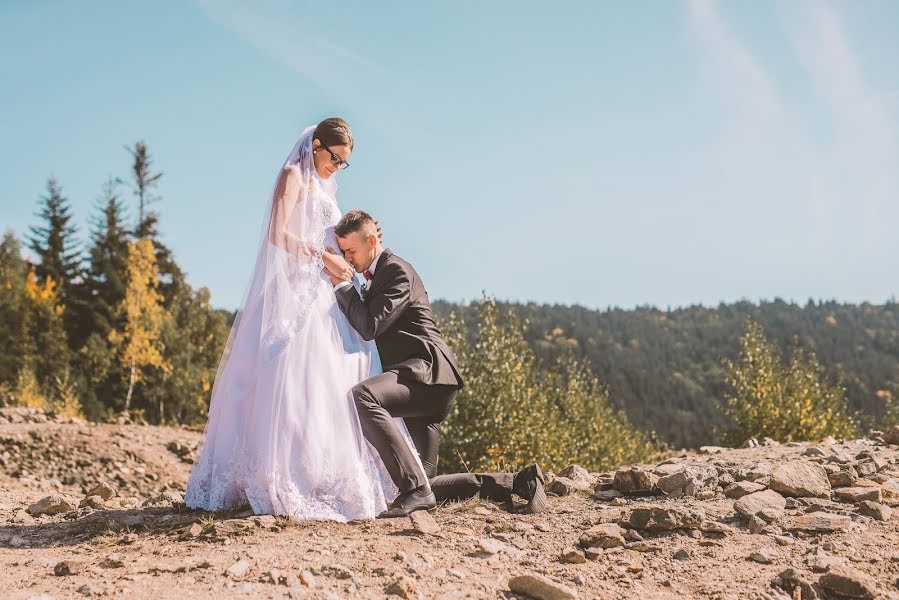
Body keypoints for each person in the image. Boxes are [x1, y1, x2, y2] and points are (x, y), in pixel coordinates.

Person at [184, 119, 422, 522]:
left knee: (336, 376)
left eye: (344, 163)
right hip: (300, 285)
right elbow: (277, 234)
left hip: (329, 289)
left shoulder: (327, 186)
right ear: (315, 145)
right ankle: (284, 476)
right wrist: (319, 256)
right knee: (291, 378)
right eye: (334, 158)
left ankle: (331, 474)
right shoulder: (293, 174)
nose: (336, 167)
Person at [330, 210, 547, 517]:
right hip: (425, 382)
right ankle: (519, 482)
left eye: (351, 250)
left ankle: (413, 490)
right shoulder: (380, 273)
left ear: (372, 241)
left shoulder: (396, 270)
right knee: (428, 482)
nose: (348, 258)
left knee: (362, 396)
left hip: (427, 373)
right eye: (343, 252)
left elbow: (370, 325)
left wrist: (342, 286)